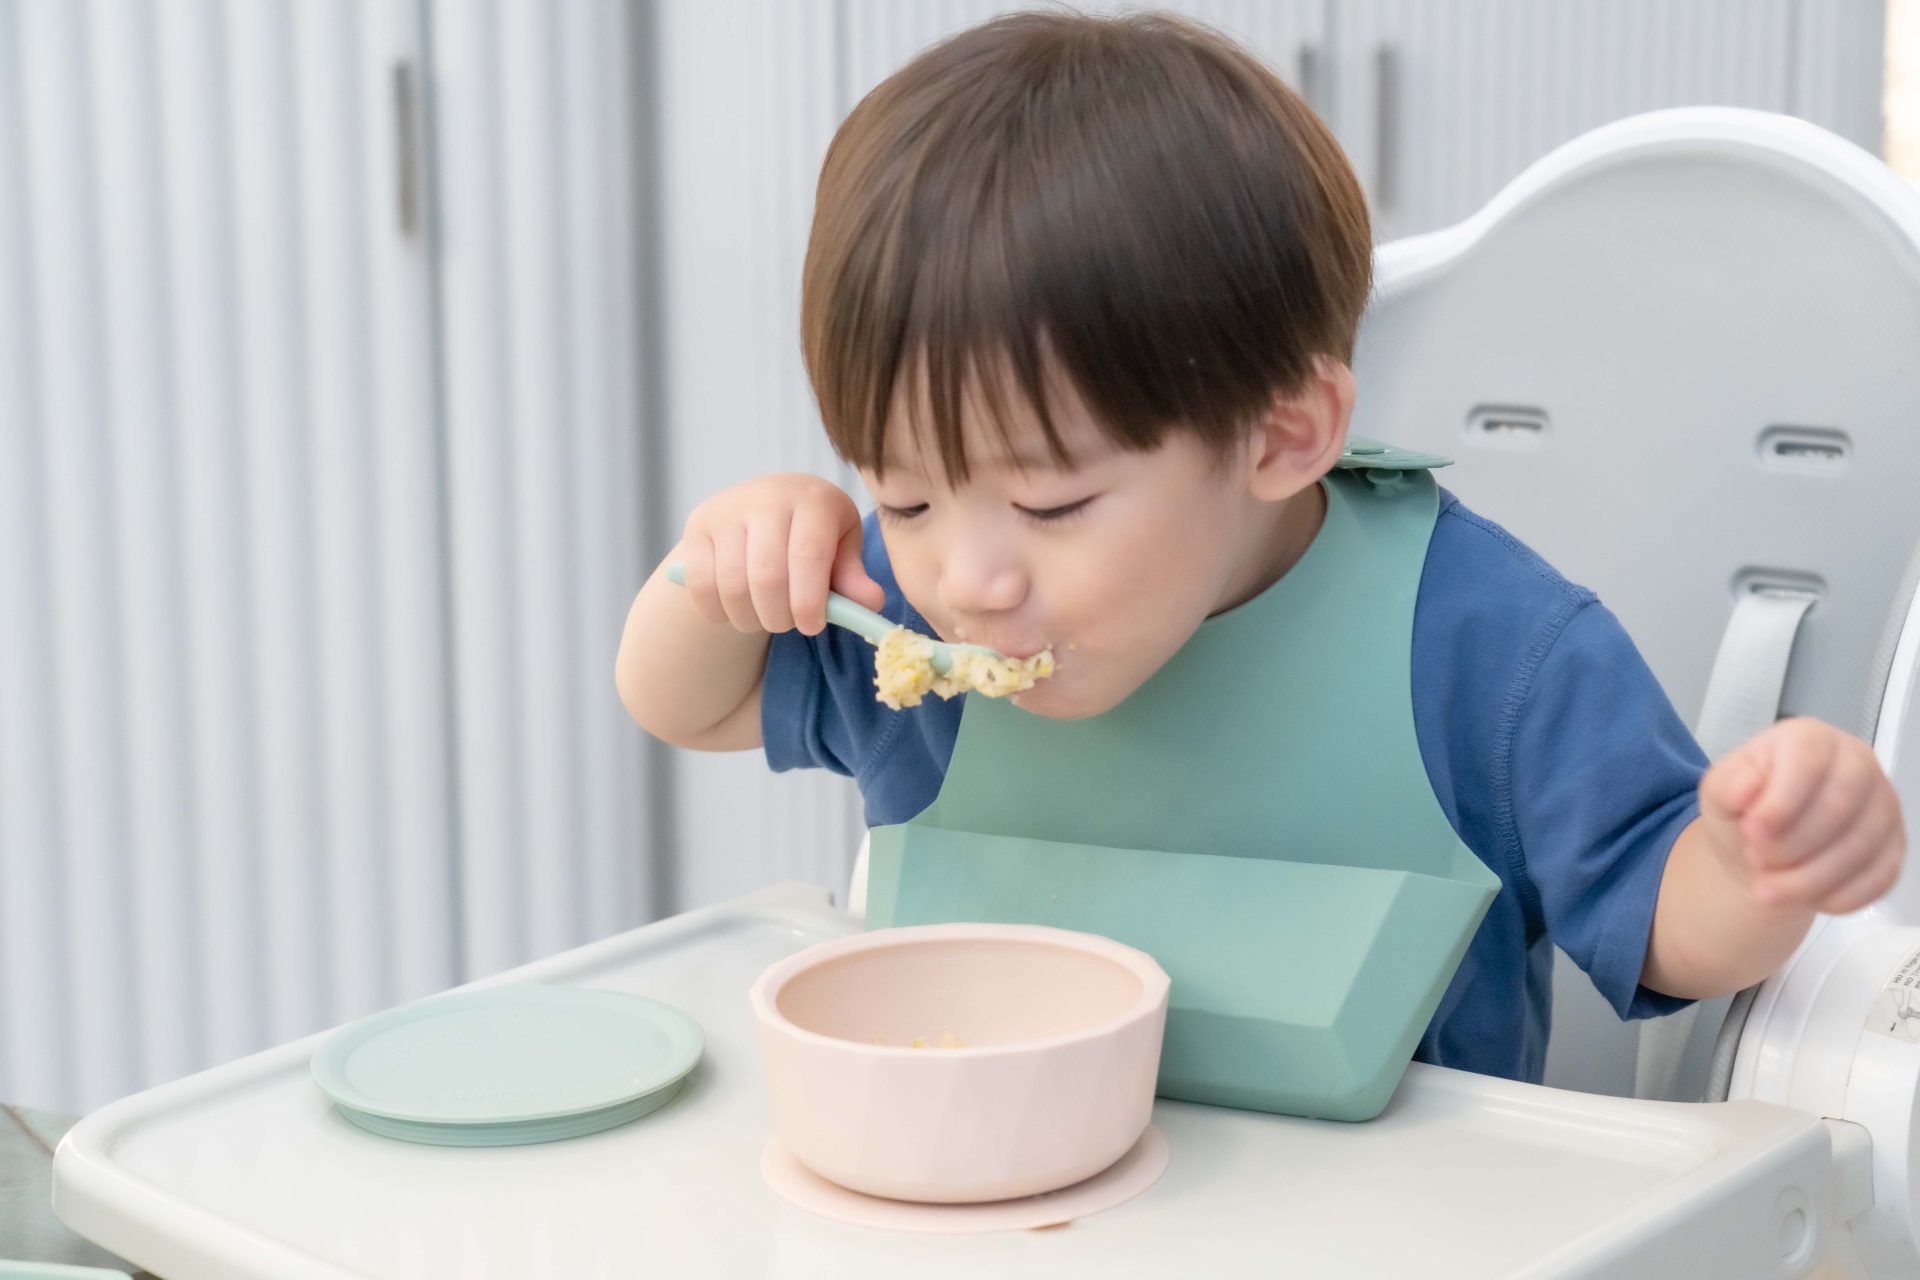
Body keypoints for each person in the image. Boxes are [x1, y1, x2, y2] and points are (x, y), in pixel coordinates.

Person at [615, 9, 1905, 1086]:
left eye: (1055, 506)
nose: (969, 574)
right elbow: (686, 703)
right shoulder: (920, 624)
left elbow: (1662, 923)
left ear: (1283, 433)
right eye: (904, 495)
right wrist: (717, 570)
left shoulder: (1475, 641)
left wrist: (1753, 865)